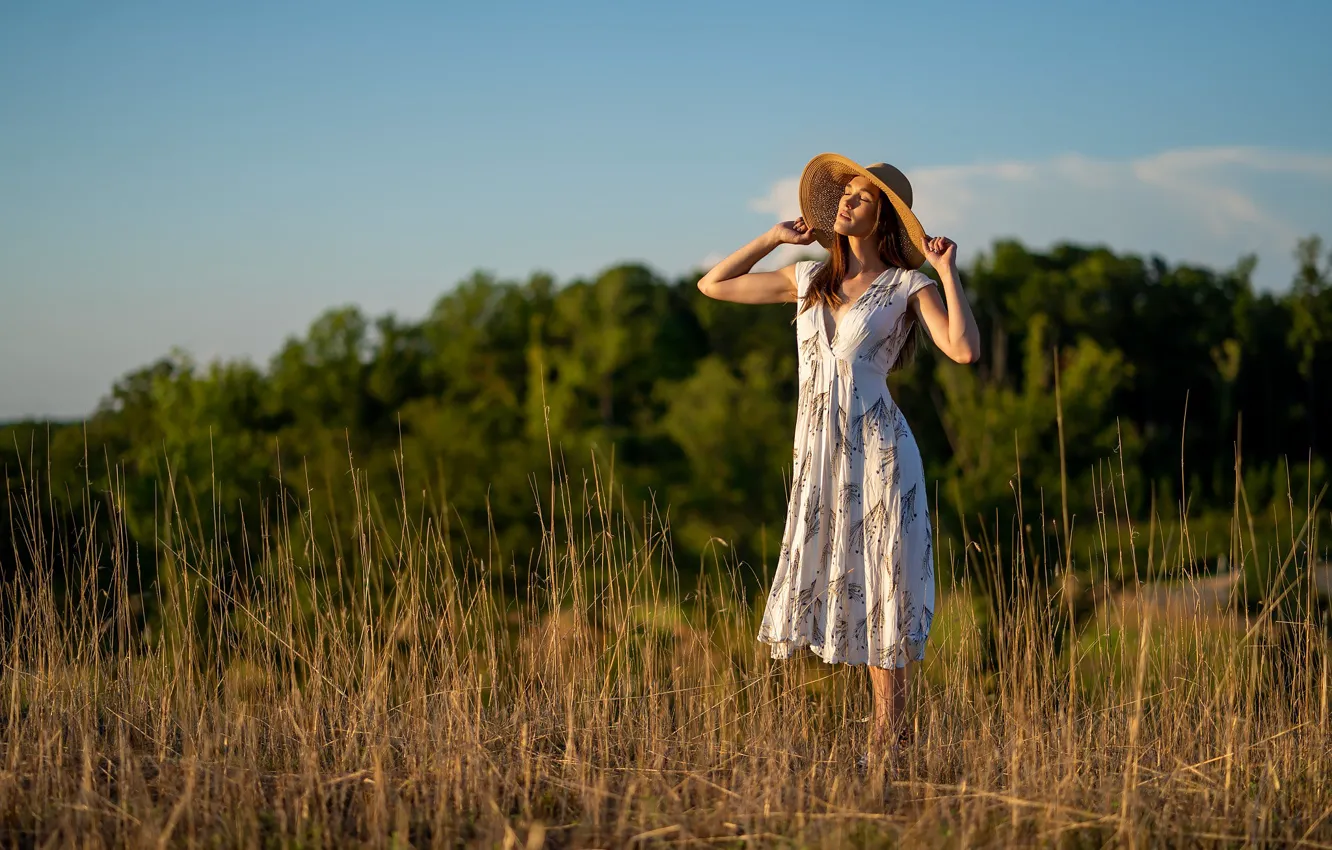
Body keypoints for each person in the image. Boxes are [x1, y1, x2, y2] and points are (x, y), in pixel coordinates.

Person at [696, 153, 981, 766]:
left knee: (884, 582)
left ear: (882, 218)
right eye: (845, 195)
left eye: (862, 198)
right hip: (819, 453)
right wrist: (773, 237)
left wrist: (946, 272)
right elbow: (713, 284)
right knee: (842, 581)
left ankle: (889, 741)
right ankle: (884, 739)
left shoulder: (907, 288)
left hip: (878, 450)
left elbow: (962, 348)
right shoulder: (806, 281)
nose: (846, 204)